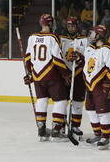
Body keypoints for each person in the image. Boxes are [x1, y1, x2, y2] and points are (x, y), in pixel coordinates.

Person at [23, 14, 71, 142]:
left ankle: (42, 132)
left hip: (38, 76)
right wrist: (65, 74)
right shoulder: (53, 37)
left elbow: (27, 58)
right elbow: (57, 59)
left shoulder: (32, 37)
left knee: (42, 100)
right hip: (52, 75)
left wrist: (30, 73)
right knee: (61, 101)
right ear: (50, 24)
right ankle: (56, 132)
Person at [82, 25, 110, 150]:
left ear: (99, 35)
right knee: (90, 110)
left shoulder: (108, 49)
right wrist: (79, 59)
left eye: (92, 33)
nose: (90, 35)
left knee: (104, 112)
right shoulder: (90, 48)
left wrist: (108, 84)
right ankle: (98, 134)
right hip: (90, 86)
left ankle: (105, 138)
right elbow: (88, 66)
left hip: (101, 86)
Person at [60, 16, 88, 140]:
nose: (71, 28)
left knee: (77, 102)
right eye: (69, 26)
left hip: (79, 74)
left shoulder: (85, 40)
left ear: (77, 26)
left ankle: (75, 126)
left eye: (73, 26)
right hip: (65, 75)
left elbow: (89, 56)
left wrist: (80, 58)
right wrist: (63, 73)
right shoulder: (61, 39)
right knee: (63, 102)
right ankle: (61, 125)